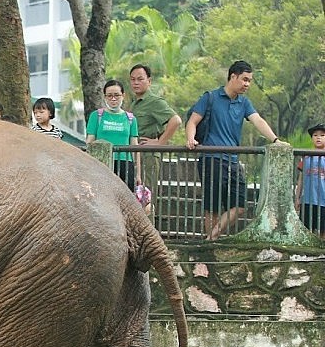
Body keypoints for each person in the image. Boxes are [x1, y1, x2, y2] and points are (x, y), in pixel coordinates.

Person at [185, 60, 286, 241]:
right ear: (233, 76)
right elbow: (193, 121)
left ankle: (210, 240)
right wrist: (190, 138)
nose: (247, 84)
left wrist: (276, 140)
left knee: (239, 206)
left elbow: (258, 121)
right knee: (213, 207)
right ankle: (211, 246)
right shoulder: (211, 97)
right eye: (244, 79)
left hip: (232, 160)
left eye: (249, 81)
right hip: (211, 158)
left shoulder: (244, 103)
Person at [86, 80, 140, 191]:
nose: (113, 99)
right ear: (105, 97)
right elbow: (90, 141)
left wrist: (138, 173)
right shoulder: (96, 116)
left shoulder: (131, 119)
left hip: (125, 163)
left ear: (123, 95)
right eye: (109, 96)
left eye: (116, 95)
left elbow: (135, 145)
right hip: (101, 162)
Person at [128, 64, 182, 145]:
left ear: (149, 81)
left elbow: (176, 120)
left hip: (148, 152)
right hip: (134, 151)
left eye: (140, 79)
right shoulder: (133, 102)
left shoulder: (155, 101)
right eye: (133, 79)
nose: (136, 83)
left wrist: (160, 142)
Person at [295, 122, 325, 238]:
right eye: (315, 135)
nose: (318, 138)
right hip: (308, 201)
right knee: (307, 231)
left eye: (322, 135)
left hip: (323, 200)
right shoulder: (306, 157)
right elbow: (301, 179)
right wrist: (297, 198)